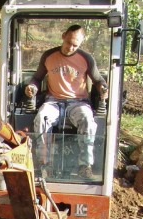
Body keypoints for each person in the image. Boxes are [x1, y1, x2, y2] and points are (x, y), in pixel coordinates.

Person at [24, 24, 108, 178]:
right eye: (69, 42)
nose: (71, 47)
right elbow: (37, 78)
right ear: (63, 36)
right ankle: (45, 164)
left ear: (81, 43)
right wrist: (31, 87)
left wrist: (103, 89)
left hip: (78, 102)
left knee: (88, 120)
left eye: (75, 45)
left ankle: (85, 165)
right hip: (53, 101)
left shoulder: (86, 59)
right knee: (42, 118)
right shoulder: (48, 56)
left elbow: (98, 80)